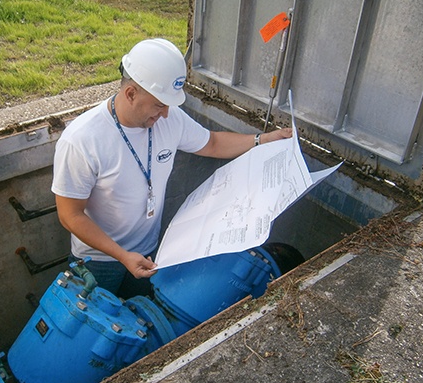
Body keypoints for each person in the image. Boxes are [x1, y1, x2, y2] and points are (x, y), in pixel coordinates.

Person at [51, 38, 292, 297]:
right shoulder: (82, 140)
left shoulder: (169, 119)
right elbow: (70, 215)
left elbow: (211, 143)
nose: (165, 113)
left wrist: (261, 140)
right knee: (98, 331)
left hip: (148, 253)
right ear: (131, 93)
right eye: (159, 104)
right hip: (98, 262)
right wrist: (122, 256)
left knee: (144, 320)